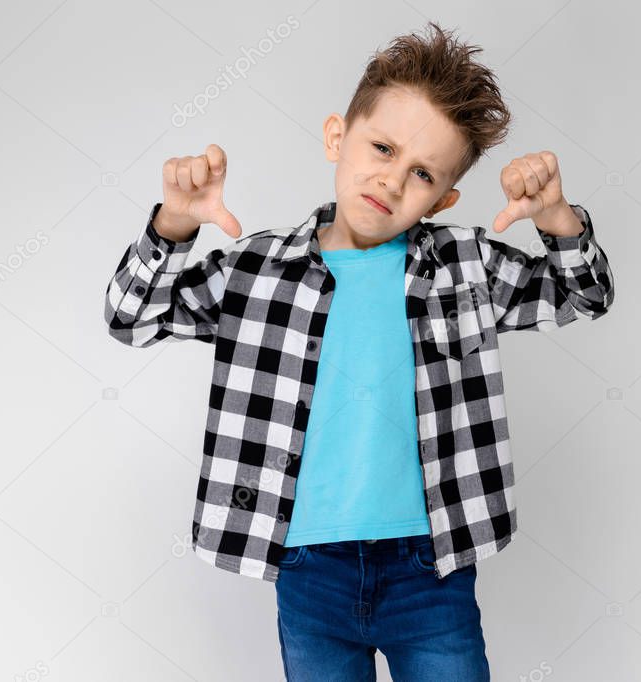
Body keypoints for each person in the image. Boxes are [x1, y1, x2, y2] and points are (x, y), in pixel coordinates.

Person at [104, 20, 614, 682]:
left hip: (428, 568)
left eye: (422, 173)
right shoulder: (257, 271)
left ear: (444, 197)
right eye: (381, 147)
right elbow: (130, 318)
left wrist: (556, 219)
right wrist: (173, 226)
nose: (391, 181)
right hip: (309, 569)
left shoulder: (464, 267)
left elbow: (585, 297)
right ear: (336, 138)